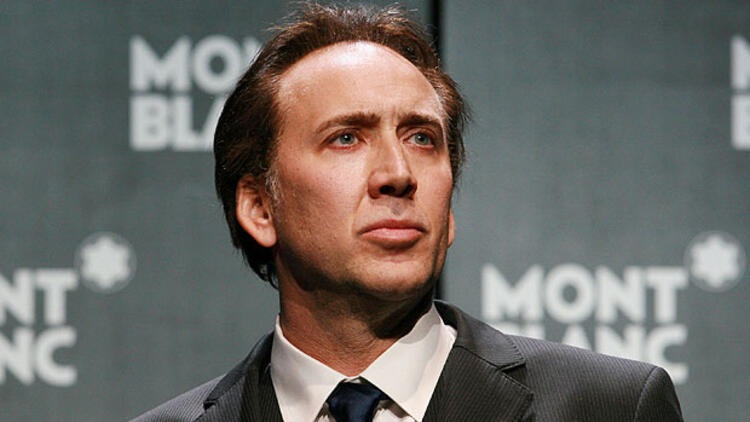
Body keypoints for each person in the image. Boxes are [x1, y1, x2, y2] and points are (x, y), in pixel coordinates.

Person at [133, 3, 683, 421]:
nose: (398, 173)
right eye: (346, 138)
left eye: (422, 138)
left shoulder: (610, 407)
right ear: (259, 207)